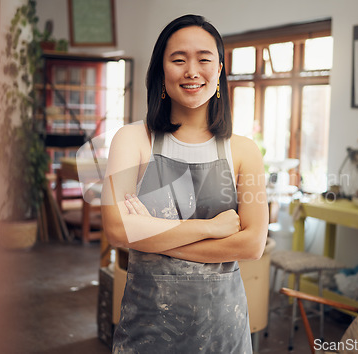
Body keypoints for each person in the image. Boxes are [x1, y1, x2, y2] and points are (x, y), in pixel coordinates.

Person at [101, 14, 268, 353]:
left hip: (223, 330)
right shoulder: (132, 140)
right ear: (161, 71)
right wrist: (213, 227)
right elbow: (118, 230)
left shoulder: (243, 150)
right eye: (178, 60)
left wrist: (150, 234)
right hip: (147, 330)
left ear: (219, 71)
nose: (192, 71)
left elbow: (252, 245)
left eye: (204, 59)